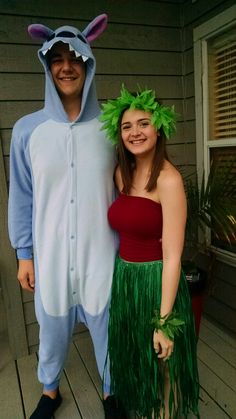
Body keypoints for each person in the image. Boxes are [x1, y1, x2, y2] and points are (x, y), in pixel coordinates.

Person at [8, 15, 127, 419]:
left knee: (108, 329)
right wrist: (25, 253)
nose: (66, 66)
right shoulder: (28, 130)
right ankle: (50, 390)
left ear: (88, 63)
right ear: (47, 65)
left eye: (75, 57)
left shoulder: (112, 127)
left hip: (102, 252)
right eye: (57, 58)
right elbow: (21, 195)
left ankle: (112, 392)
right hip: (51, 255)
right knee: (52, 328)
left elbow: (130, 184)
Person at [100, 86, 200, 418]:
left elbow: (172, 255)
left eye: (143, 123)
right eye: (127, 126)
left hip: (158, 282)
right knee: (136, 357)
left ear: (159, 128)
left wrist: (164, 321)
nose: (135, 132)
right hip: (126, 279)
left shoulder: (168, 180)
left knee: (164, 362)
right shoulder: (121, 174)